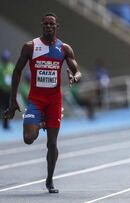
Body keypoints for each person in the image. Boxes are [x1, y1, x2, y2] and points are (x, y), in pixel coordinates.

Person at [3, 12, 82, 193]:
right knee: (28, 138)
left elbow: (77, 71)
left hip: (54, 101)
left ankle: (49, 180)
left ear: (56, 26)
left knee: (52, 144)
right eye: (45, 24)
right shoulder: (31, 47)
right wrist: (13, 99)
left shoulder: (64, 49)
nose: (48, 26)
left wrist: (75, 77)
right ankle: (41, 122)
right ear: (42, 25)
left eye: (51, 24)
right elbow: (16, 72)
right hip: (36, 100)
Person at [0, 50, 15, 129]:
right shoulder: (0, 67)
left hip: (8, 91)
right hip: (1, 90)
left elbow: (14, 78)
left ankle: (6, 124)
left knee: (7, 108)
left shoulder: (11, 66)